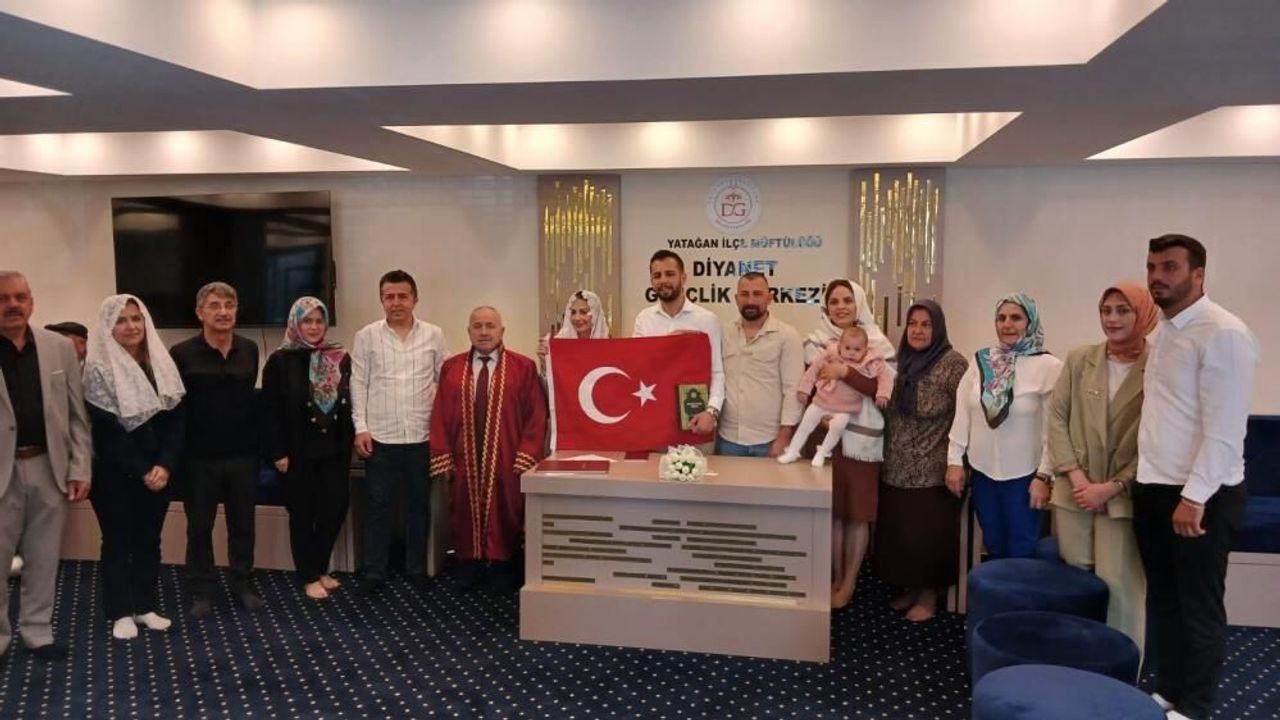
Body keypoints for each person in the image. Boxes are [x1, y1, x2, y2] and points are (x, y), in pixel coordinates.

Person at [1134, 234, 1257, 720]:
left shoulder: (1223, 332)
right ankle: (1169, 689)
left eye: (1170, 267)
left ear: (1198, 274)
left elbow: (1224, 430)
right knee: (1164, 600)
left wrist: (1194, 497)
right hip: (1155, 486)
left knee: (1198, 606)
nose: (1157, 277)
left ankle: (1197, 705)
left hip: (1201, 496)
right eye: (1152, 267)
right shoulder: (1164, 331)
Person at [1047, 282, 1157, 651]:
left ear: (1143, 314)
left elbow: (1160, 438)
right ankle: (1078, 661)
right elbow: (1057, 418)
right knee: (1076, 586)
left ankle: (1119, 669)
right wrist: (1078, 479)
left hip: (1124, 496)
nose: (1112, 319)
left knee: (1121, 589)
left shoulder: (1159, 365)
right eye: (1106, 310)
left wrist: (1112, 487)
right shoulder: (1080, 359)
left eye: (1123, 310)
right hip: (1074, 493)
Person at [0, 271, 91, 661]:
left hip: (48, 467)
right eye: (3, 298)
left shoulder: (58, 348)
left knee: (43, 557)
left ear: (32, 302)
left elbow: (76, 415)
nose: (12, 305)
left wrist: (80, 468)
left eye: (20, 297)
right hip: (2, 471)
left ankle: (37, 631)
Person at [82, 294, 184, 639]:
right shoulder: (97, 369)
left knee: (149, 540)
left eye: (136, 318)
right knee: (117, 540)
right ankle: (120, 612)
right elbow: (107, 430)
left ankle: (145, 606)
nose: (131, 326)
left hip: (159, 471)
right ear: (108, 327)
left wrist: (164, 465)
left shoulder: (160, 362)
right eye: (121, 320)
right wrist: (143, 469)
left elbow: (177, 420)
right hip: (116, 472)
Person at [429, 306, 547, 593]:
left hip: (507, 456)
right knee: (462, 507)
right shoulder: (452, 368)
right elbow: (440, 412)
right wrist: (443, 454)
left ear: (501, 331)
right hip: (464, 456)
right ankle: (468, 562)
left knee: (506, 507)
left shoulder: (523, 367)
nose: (484, 332)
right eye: (478, 326)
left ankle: (502, 564)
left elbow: (536, 414)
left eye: (490, 326)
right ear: (468, 331)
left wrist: (526, 453)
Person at [350, 269, 447, 593]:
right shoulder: (366, 336)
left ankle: (416, 568)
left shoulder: (434, 335)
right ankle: (375, 571)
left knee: (419, 507)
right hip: (380, 437)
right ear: (381, 300)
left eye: (402, 296)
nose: (396, 302)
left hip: (421, 437)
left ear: (415, 299)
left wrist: (442, 430)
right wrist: (361, 428)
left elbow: (444, 381)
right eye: (389, 297)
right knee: (378, 507)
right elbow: (358, 383)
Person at [170, 281, 263, 616]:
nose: (223, 312)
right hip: (198, 459)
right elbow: (176, 410)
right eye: (214, 305)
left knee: (243, 526)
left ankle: (242, 582)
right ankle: (201, 589)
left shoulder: (250, 349)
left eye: (229, 305)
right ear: (200, 313)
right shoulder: (181, 353)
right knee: (199, 527)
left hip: (242, 456)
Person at [946, 293, 1062, 560]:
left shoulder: (1049, 366)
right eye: (1001, 318)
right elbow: (963, 412)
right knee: (994, 547)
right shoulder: (981, 361)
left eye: (1016, 318)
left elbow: (1054, 429)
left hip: (1025, 477)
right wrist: (954, 460)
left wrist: (1044, 476)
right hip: (983, 472)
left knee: (1023, 552)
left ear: (1030, 322)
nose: (1007, 324)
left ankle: (1020, 591)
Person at [873, 300, 968, 622]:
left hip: (932, 468)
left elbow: (965, 415)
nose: (918, 330)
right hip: (895, 465)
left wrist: (958, 461)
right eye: (913, 323)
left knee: (927, 536)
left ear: (938, 328)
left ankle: (929, 595)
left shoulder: (953, 364)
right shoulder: (899, 362)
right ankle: (912, 589)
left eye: (926, 324)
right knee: (902, 536)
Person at [806, 279, 893, 608]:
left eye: (847, 300)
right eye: (834, 301)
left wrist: (845, 372)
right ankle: (833, 578)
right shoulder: (815, 342)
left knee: (857, 513)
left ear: (859, 305)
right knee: (832, 512)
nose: (840, 307)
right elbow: (809, 384)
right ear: (825, 307)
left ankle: (850, 581)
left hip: (861, 442)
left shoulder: (879, 344)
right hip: (826, 439)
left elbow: (882, 389)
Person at [263, 297, 354, 601]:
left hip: (334, 450)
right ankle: (308, 575)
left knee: (335, 509)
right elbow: (270, 411)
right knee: (302, 514)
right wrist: (278, 452)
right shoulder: (279, 360)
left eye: (319, 321)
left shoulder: (339, 356)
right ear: (295, 324)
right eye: (307, 321)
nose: (314, 327)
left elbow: (349, 402)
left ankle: (320, 566)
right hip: (297, 451)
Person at [632, 250, 723, 436]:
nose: (663, 280)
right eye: (657, 276)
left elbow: (717, 371)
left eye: (670, 274)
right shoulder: (643, 319)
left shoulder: (707, 319)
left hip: (696, 420)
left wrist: (712, 410)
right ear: (651, 281)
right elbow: (638, 368)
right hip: (654, 420)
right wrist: (669, 344)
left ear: (683, 277)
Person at [718, 272, 804, 458]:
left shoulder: (787, 336)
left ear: (769, 298)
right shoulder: (724, 333)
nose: (750, 300)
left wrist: (784, 437)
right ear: (736, 299)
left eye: (757, 294)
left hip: (769, 441)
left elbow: (793, 390)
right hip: (728, 440)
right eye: (744, 294)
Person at [780, 325, 893, 467]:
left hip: (846, 408)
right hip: (822, 401)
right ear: (840, 346)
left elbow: (885, 377)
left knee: (837, 428)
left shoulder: (871, 361)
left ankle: (822, 452)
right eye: (847, 348)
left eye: (857, 350)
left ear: (866, 349)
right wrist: (804, 389)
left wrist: (883, 394)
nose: (851, 353)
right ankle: (792, 451)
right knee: (805, 424)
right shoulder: (831, 354)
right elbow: (813, 370)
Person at [536, 289, 610, 374]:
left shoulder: (608, 350)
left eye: (583, 312)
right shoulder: (559, 345)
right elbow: (551, 381)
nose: (577, 318)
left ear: (595, 315)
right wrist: (546, 364)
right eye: (573, 312)